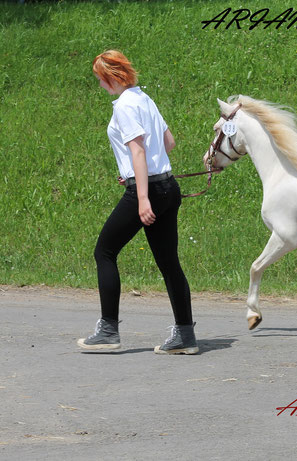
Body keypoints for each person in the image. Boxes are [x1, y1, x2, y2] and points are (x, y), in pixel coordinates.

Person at [78, 50, 198, 355]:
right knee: (169, 263)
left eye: (100, 80)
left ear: (111, 77)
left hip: (148, 192)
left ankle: (108, 331)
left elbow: (139, 151)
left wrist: (142, 195)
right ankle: (185, 336)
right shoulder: (144, 99)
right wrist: (135, 175)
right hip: (168, 186)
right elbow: (168, 142)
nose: (100, 85)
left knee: (104, 251)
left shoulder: (125, 107)